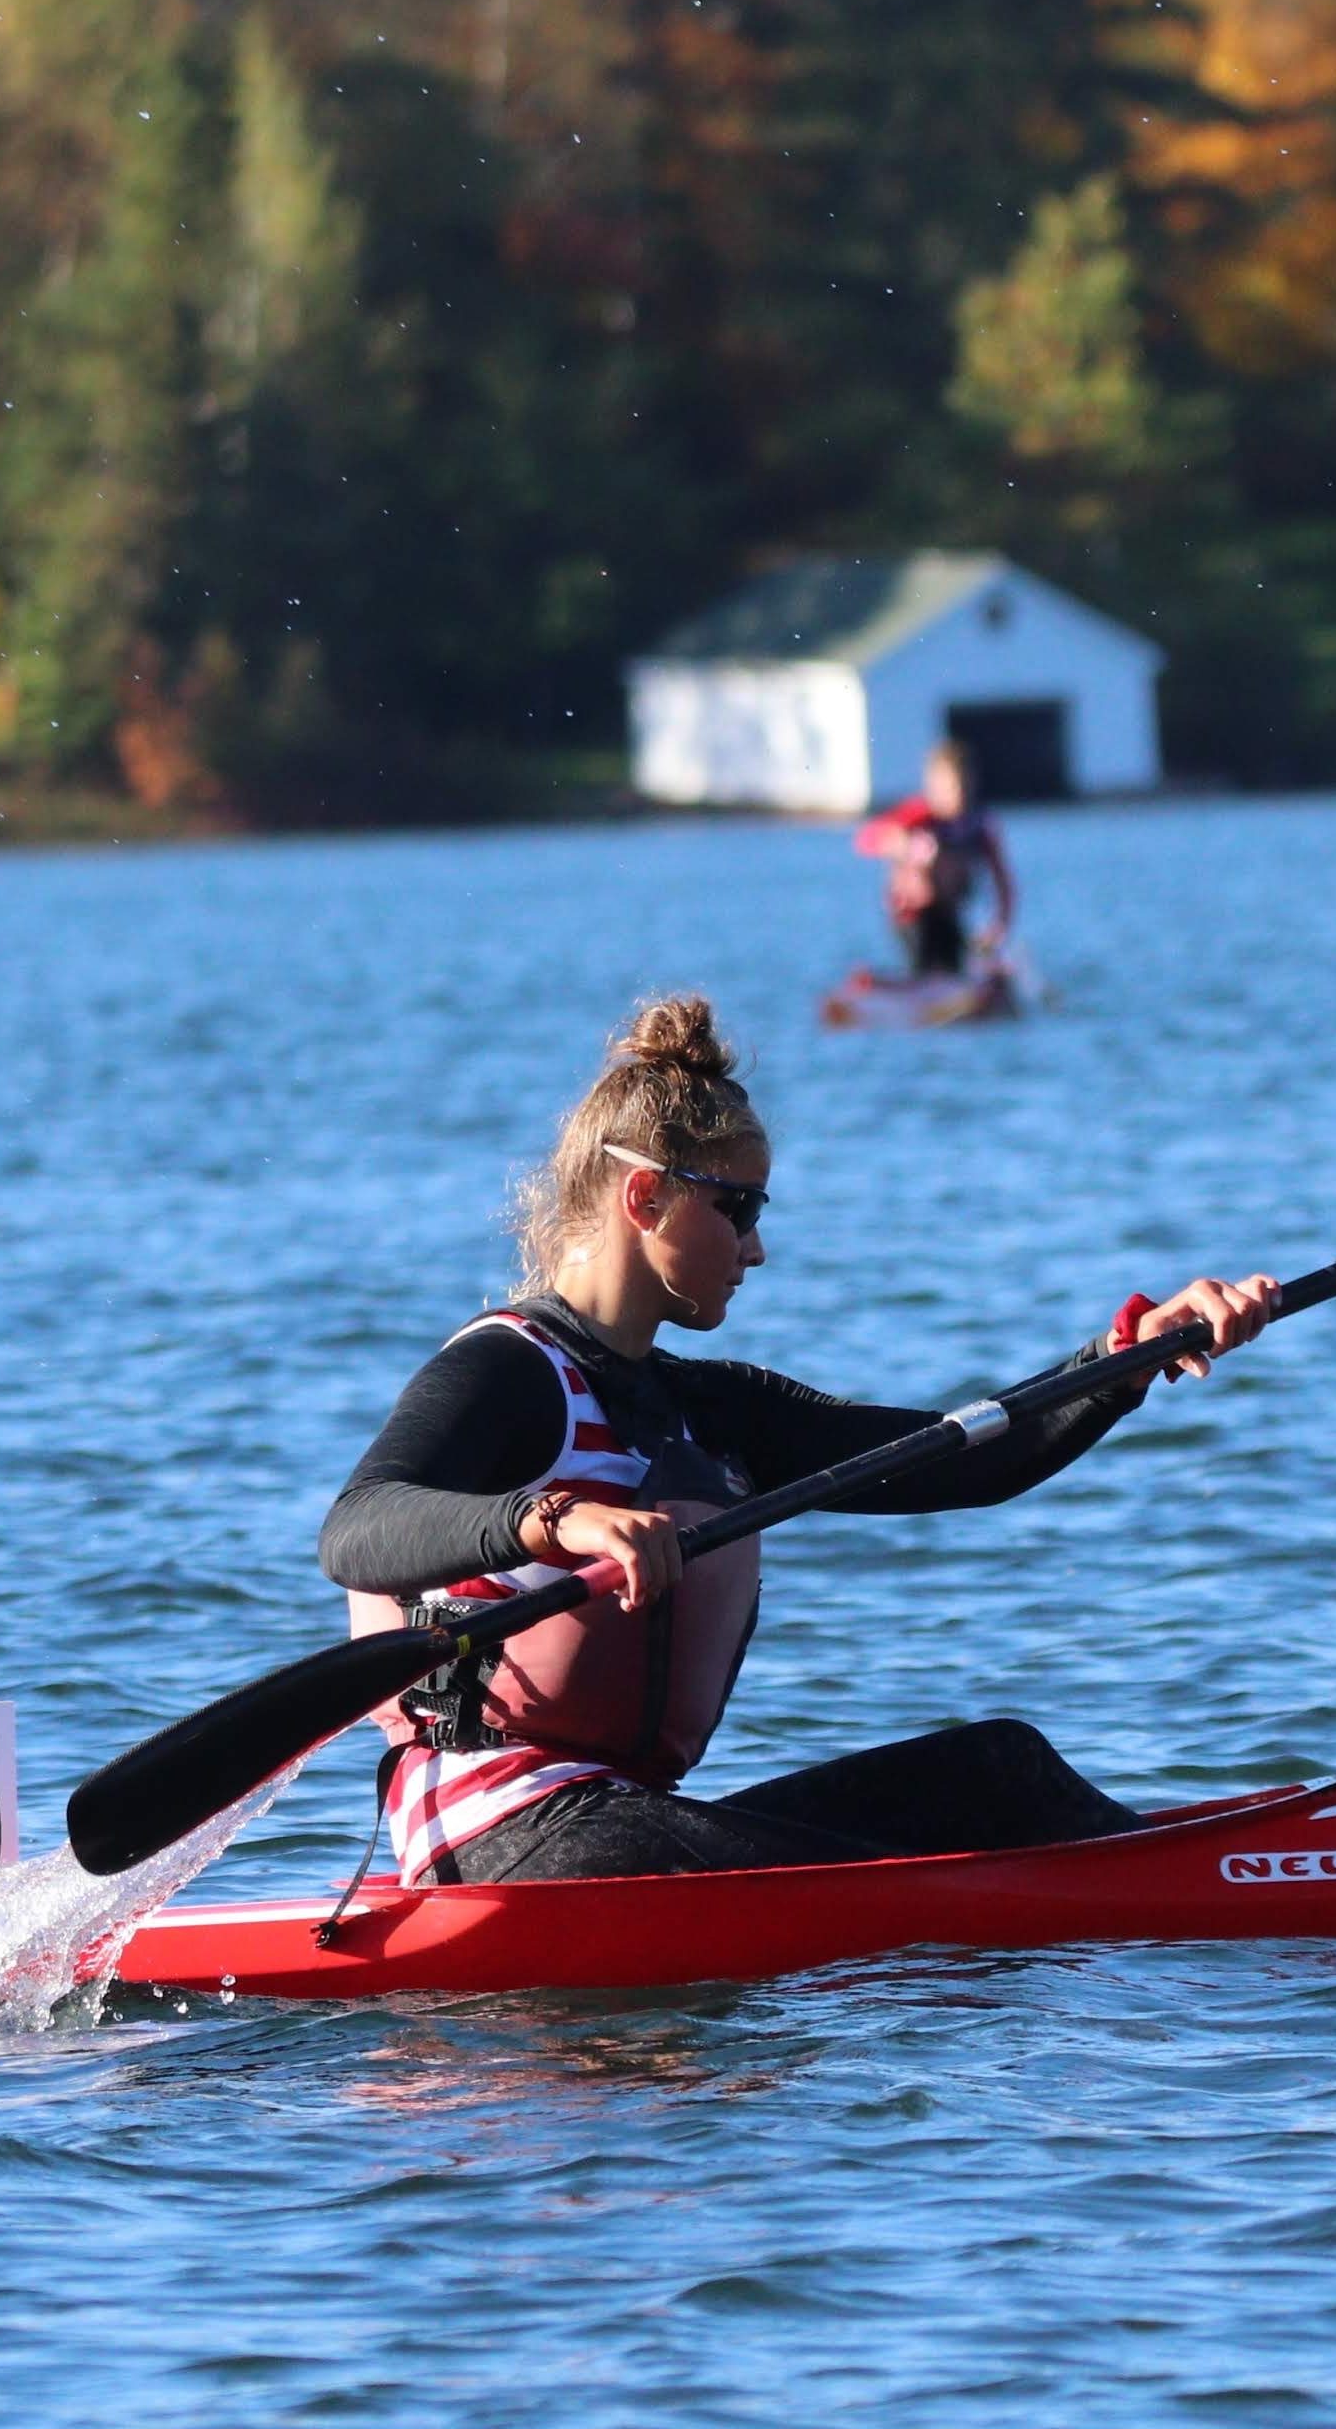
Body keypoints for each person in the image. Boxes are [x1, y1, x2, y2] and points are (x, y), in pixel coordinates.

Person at [316, 995, 1277, 1886]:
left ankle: (1202, 1881)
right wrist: (552, 1524)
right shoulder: (509, 1370)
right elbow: (357, 1530)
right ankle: (1145, 1902)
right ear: (644, 1198)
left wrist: (1127, 1357)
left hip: (624, 1825)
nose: (756, 1247)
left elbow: (968, 1457)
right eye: (738, 1209)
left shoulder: (715, 1406)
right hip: (501, 1842)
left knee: (999, 1768)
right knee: (841, 1877)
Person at [851, 740, 1015, 981]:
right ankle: (912, 991)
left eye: (962, 787)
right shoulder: (919, 815)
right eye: (949, 788)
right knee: (923, 965)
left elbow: (1003, 881)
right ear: (932, 786)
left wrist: (999, 924)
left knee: (954, 968)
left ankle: (958, 991)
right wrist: (902, 845)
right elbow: (865, 840)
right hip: (912, 916)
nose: (957, 796)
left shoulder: (980, 826)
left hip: (949, 911)